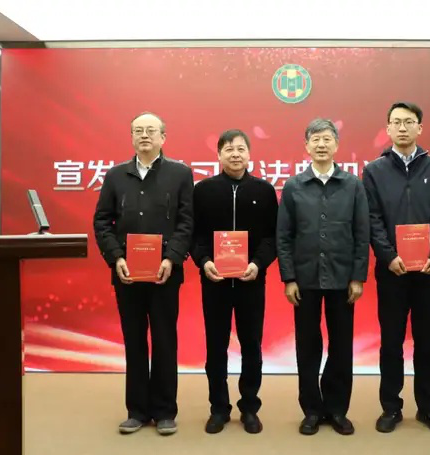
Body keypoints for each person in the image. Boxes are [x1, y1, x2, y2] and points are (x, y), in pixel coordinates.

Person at [93, 112, 194, 435]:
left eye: (151, 130)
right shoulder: (115, 175)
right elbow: (102, 221)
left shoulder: (180, 174)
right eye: (138, 130)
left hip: (165, 273)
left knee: (165, 340)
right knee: (134, 341)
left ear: (163, 137)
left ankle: (164, 411)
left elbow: (187, 221)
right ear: (131, 137)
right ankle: (136, 410)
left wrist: (172, 258)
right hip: (127, 273)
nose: (145, 135)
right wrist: (116, 258)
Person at [362, 102, 430, 434]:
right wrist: (388, 255)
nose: (402, 127)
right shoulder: (374, 170)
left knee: (426, 342)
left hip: (429, 271)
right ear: (387, 128)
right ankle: (391, 407)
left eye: (409, 122)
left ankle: (429, 408)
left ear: (420, 128)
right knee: (391, 342)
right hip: (392, 271)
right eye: (396, 122)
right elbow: (372, 219)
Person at [277, 118, 369, 436]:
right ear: (306, 146)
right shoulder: (293, 186)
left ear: (336, 145)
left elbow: (362, 233)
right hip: (305, 280)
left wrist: (358, 276)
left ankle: (337, 408)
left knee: (341, 346)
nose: (321, 144)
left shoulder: (353, 185)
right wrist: (289, 278)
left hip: (343, 279)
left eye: (327, 138)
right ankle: (312, 410)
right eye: (315, 139)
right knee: (307, 346)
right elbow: (283, 236)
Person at [191, 129, 278, 434]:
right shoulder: (203, 191)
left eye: (241, 148)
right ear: (218, 155)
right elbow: (195, 235)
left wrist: (258, 264)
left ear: (249, 154)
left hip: (250, 281)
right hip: (214, 282)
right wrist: (204, 261)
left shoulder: (264, 191)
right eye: (228, 149)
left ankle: (249, 407)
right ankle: (218, 408)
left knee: (251, 346)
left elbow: (272, 237)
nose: (235, 154)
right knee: (215, 347)